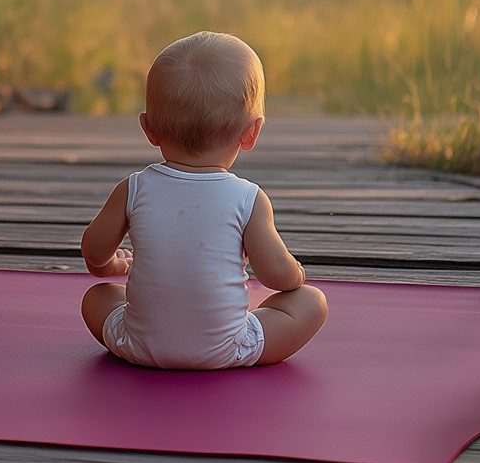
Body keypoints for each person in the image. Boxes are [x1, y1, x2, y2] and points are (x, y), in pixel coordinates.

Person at [79, 31, 328, 369]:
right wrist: (295, 274)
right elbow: (274, 276)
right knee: (312, 302)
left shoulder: (133, 187)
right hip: (227, 350)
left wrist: (109, 267)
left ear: (148, 128)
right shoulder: (249, 198)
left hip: (138, 345)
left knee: (97, 297)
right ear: (252, 132)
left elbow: (93, 250)